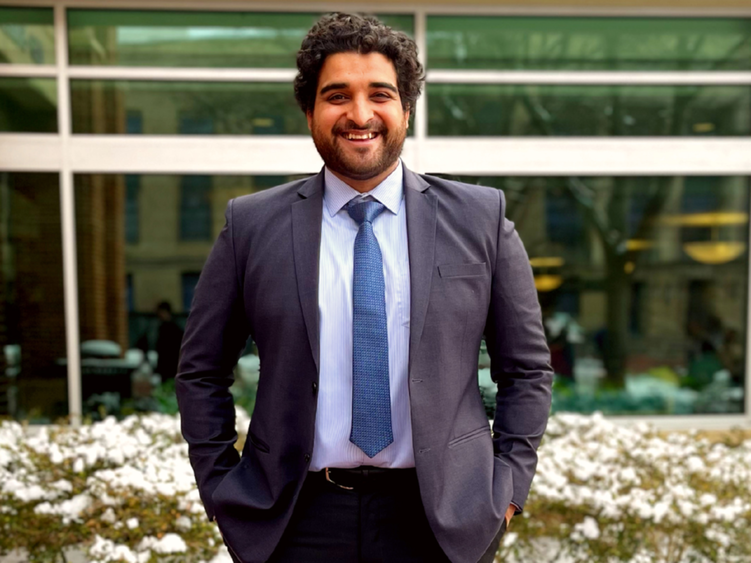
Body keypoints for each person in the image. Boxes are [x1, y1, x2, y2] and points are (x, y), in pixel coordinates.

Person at [176, 13, 552, 563]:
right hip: (292, 521)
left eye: (380, 93)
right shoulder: (251, 227)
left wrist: (506, 491)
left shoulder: (481, 220)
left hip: (443, 522)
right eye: (336, 95)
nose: (359, 114)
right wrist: (221, 487)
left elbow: (527, 369)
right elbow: (201, 369)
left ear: (405, 109)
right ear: (310, 111)